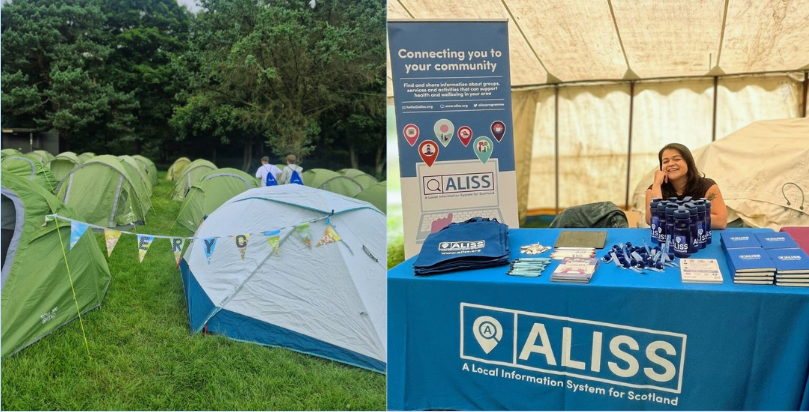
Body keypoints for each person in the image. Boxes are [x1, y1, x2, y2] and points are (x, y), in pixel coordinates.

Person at [645, 143, 728, 229]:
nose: (670, 164)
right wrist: (657, 183)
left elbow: (720, 221)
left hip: (700, 238)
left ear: (688, 162)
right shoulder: (654, 189)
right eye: (665, 161)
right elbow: (651, 219)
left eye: (676, 159)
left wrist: (676, 217)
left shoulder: (707, 186)